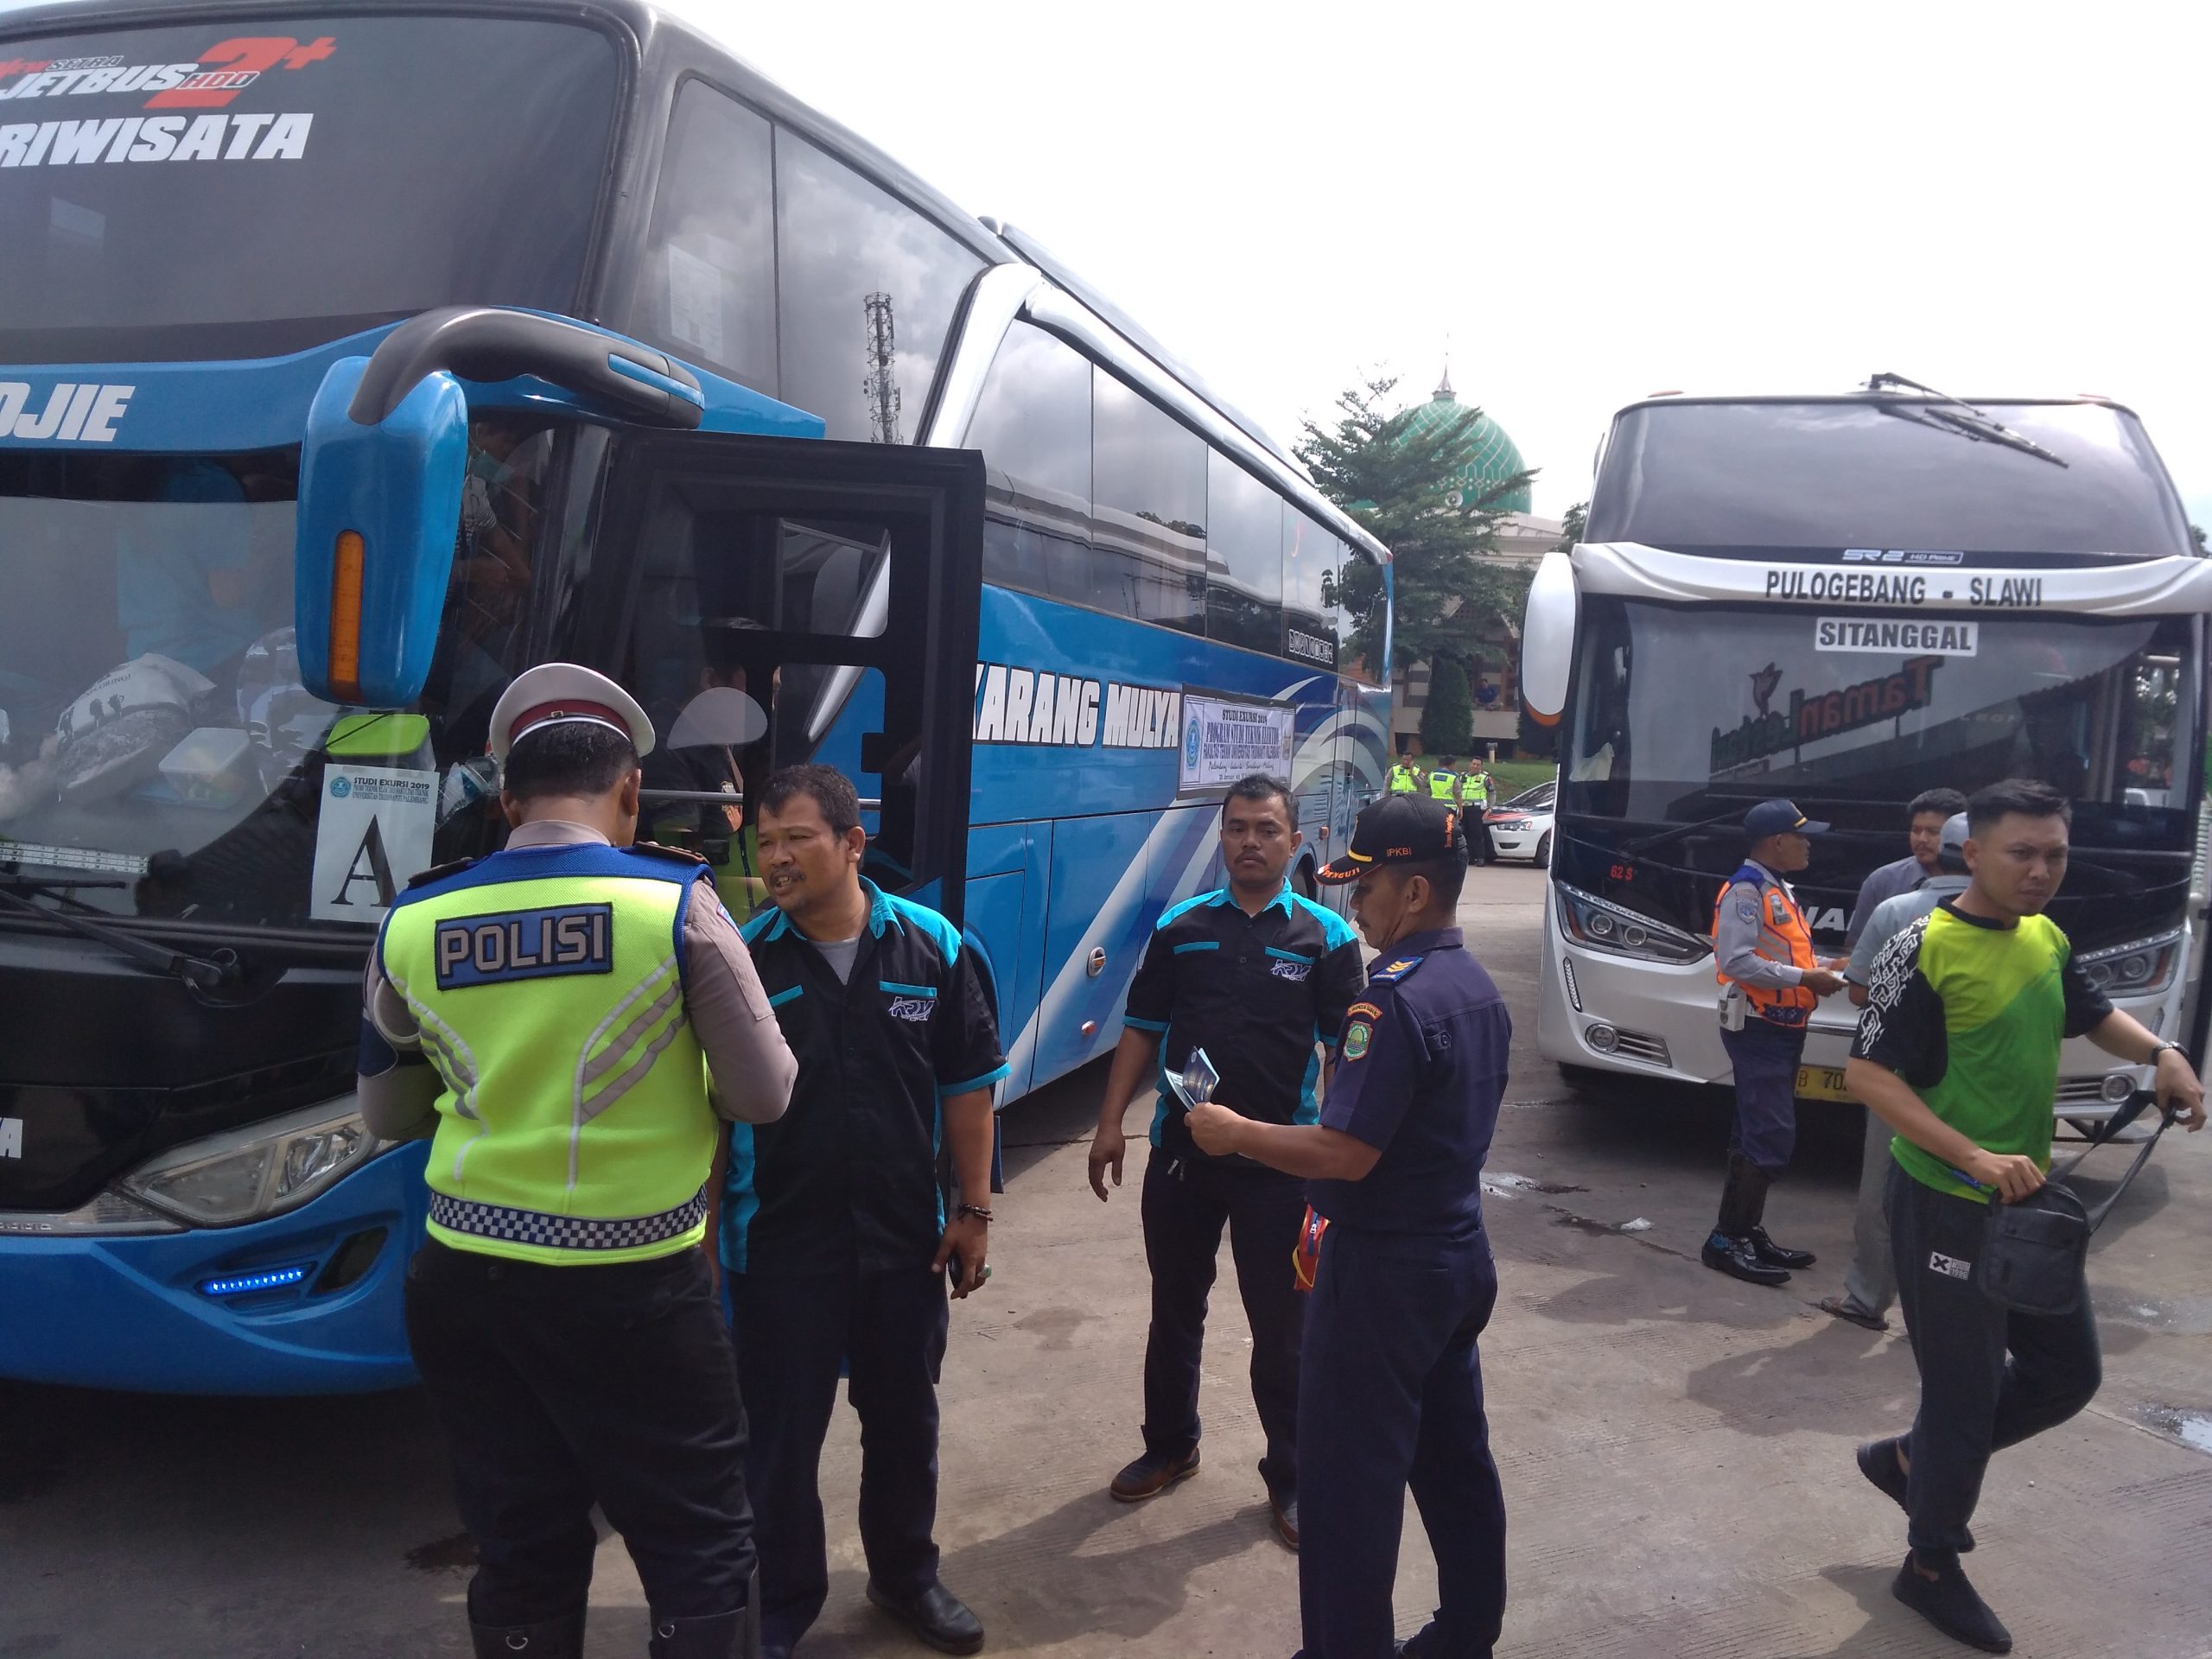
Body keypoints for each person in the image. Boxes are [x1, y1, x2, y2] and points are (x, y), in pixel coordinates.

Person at [356, 663, 798, 1659]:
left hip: (464, 1283)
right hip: (635, 1284)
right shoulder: (674, 907)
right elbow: (764, 1093)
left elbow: (385, 1113)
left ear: (505, 798)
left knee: (518, 1538)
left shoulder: (413, 921)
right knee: (696, 1542)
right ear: (629, 791)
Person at [1845, 778, 2205, 1654]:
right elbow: (1867, 1076)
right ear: (1973, 854)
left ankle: (1906, 1463)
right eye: (2021, 853)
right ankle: (1928, 1564)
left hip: (2025, 1199)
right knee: (1963, 1399)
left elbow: (2093, 1014)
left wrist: (2161, 1051)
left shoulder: (2043, 937)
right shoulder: (1921, 944)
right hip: (1942, 1201)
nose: (2040, 871)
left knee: (2064, 1375)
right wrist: (1967, 1153)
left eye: (2054, 854)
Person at [1185, 794, 1509, 1659]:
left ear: (1410, 895)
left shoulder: (1391, 1002)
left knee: (1345, 1487)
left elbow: (1346, 1150)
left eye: (1362, 887)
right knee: (1453, 1459)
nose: (1352, 905)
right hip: (1455, 1255)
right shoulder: (1472, 986)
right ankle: (1467, 1629)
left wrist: (1237, 1132)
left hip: (1382, 1273)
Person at [716, 764, 1007, 1659]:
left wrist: (972, 1211)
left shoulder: (935, 948)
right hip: (778, 1244)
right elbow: (709, 1112)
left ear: (851, 843)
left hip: (902, 1242)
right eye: (763, 842)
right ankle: (781, 1603)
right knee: (779, 1441)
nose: (775, 858)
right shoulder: (742, 958)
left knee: (902, 1422)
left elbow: (967, 1094)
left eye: (796, 837)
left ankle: (905, 1576)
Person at [1085, 773, 1364, 1548]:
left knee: (1284, 1332)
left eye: (1266, 829)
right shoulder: (1181, 928)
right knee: (1175, 1311)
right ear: (1221, 836)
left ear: (1295, 840)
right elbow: (1141, 1027)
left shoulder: (1326, 939)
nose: (1250, 841)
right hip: (1181, 1159)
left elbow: (1344, 1055)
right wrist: (1111, 1124)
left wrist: (1335, 1158)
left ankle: (1293, 1477)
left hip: (1281, 1166)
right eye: (1237, 827)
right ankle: (1171, 1444)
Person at [1818, 810, 1971, 1332]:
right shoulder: (2022, 925)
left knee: (1884, 1186)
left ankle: (1867, 1299)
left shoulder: (1897, 909)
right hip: (1975, 1076)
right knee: (1966, 1188)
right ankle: (1948, 1311)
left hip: (1896, 1071)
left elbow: (1857, 989)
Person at [1703, 798, 1850, 1287]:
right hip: (1761, 1028)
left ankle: (1743, 1233)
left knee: (1753, 1132)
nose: (1809, 844)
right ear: (1778, 841)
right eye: (1803, 836)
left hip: (1783, 1026)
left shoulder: (1776, 889)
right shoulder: (1746, 892)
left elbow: (1783, 951)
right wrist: (1805, 976)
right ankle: (1727, 1240)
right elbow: (1736, 960)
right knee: (1769, 1137)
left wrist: (1823, 968)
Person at [1844, 788, 1968, 950]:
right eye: (1916, 830)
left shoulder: (1982, 880)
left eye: (1933, 832)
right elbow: (1854, 950)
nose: (1922, 839)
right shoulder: (1882, 881)